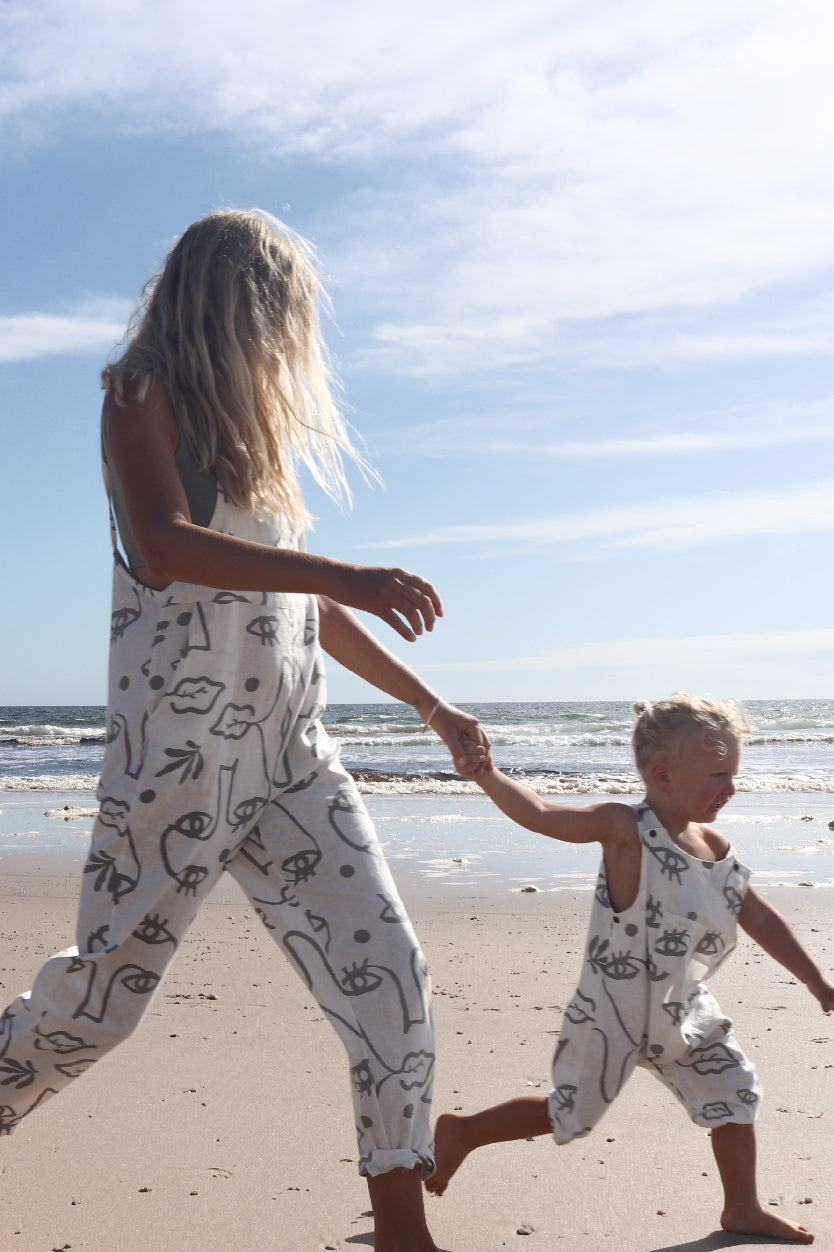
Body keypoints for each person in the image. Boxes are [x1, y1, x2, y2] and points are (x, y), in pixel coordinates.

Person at [0, 209, 488, 1252]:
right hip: (180, 763)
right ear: (237, 302)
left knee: (391, 979)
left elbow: (305, 606)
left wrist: (428, 703)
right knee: (96, 1006)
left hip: (295, 761)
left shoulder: (254, 436)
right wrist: (343, 572)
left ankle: (402, 1233)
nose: (289, 334)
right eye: (281, 309)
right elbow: (165, 545)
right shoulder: (140, 395)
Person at [426, 695, 833, 1245]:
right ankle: (465, 1131)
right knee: (569, 1111)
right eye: (719, 775)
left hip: (682, 1010)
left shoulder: (715, 846)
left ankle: (742, 1207)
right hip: (612, 1013)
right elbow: (540, 815)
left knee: (735, 1093)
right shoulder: (625, 829)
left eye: (734, 774)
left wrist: (814, 978)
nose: (731, 787)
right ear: (663, 775)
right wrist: (487, 774)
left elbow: (757, 915)